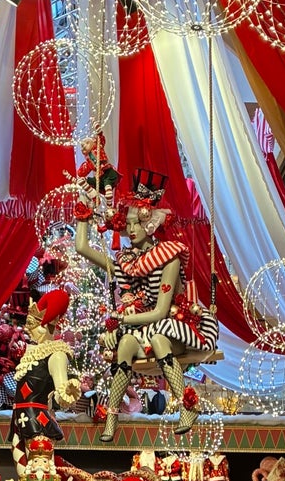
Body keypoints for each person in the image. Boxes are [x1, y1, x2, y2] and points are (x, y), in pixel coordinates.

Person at [75, 168, 218, 442]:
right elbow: (82, 247)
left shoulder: (169, 257)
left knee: (160, 338)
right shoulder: (128, 260)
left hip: (174, 326)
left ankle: (187, 407)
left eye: (134, 223)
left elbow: (161, 312)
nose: (129, 229)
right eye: (126, 223)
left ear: (149, 223)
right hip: (143, 329)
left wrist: (121, 321)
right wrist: (84, 207)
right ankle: (113, 416)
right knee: (126, 344)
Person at [9, 288, 82, 474]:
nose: (28, 331)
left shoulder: (56, 354)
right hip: (21, 418)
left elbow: (61, 394)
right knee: (23, 470)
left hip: (37, 420)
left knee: (39, 469)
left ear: (45, 325)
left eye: (33, 326)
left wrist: (67, 392)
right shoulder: (35, 353)